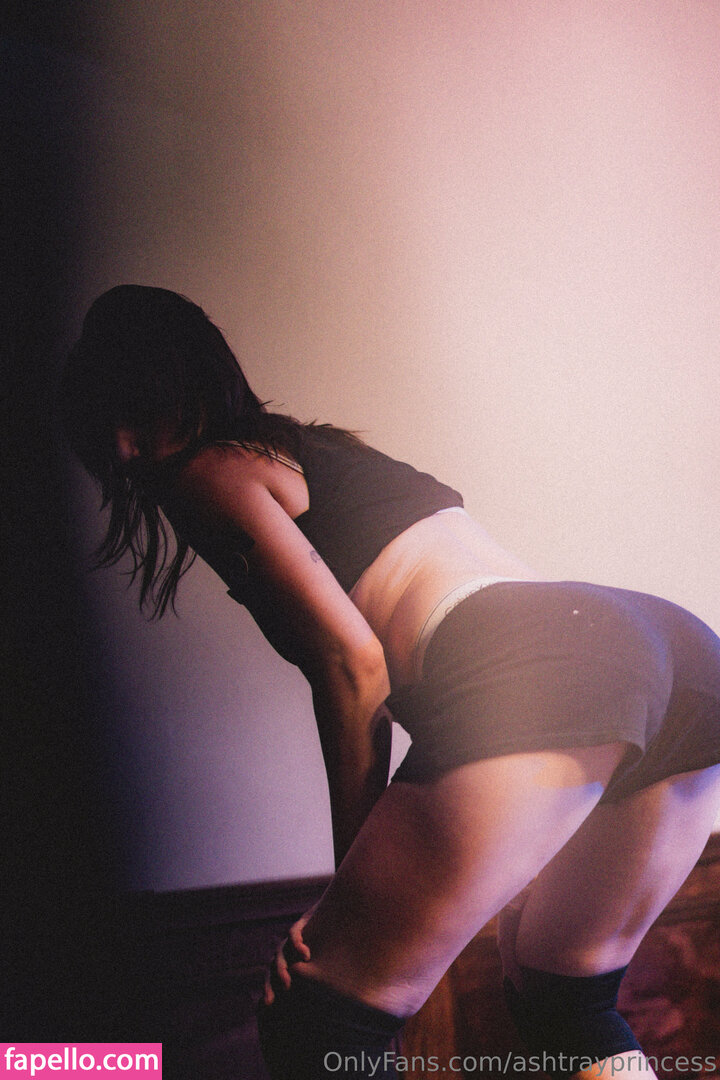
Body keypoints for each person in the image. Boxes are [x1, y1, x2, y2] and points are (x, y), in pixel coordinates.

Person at [60, 285, 720, 1080]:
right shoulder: (311, 452)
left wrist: (349, 883)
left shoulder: (210, 470)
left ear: (186, 387)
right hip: (679, 652)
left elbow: (354, 666)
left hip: (550, 658)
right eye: (104, 424)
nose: (124, 449)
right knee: (566, 1001)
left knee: (317, 1017)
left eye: (136, 414)